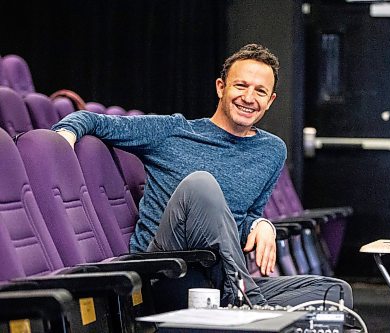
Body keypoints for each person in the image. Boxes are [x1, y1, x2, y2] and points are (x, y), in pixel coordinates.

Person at [52, 44, 352, 308]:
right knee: (201, 184)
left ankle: (243, 304)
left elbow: (238, 220)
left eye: (260, 91)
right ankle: (247, 304)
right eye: (240, 86)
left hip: (222, 277)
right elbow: (91, 119)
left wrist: (261, 224)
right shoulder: (174, 131)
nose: (249, 98)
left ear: (270, 100)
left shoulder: (272, 151)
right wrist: (65, 134)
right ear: (221, 87)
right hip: (167, 269)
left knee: (334, 292)